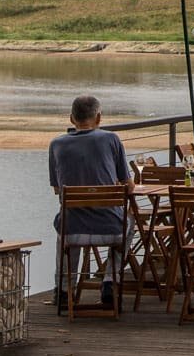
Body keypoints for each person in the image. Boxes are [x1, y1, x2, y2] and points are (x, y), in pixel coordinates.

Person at [49, 94, 133, 310]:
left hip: (72, 230)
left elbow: (58, 189)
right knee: (129, 224)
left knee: (67, 224)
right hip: (111, 228)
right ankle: (109, 281)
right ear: (99, 118)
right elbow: (128, 185)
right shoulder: (111, 139)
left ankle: (64, 288)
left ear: (71, 119)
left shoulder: (56, 144)